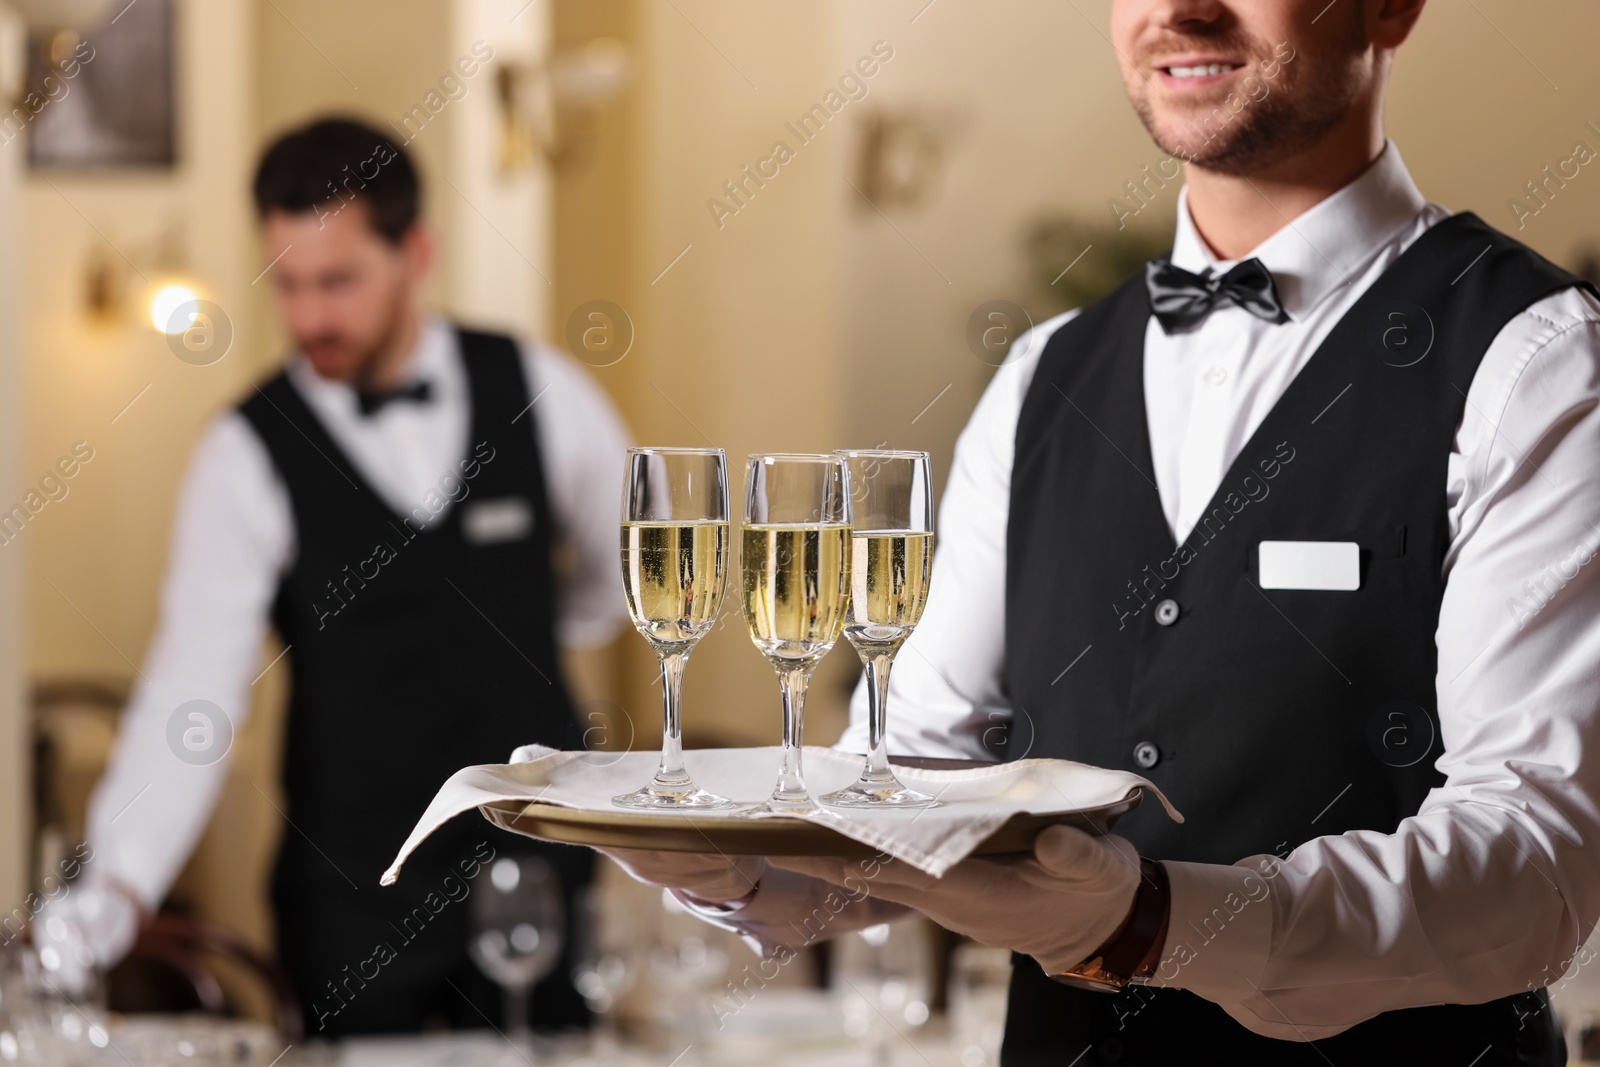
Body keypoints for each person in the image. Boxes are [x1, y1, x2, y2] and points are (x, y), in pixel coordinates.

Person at [605, 2, 1600, 1064]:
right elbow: (911, 771)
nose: (1181, 9)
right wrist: (747, 866)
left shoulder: (1536, 363)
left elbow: (1537, 865)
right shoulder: (1044, 373)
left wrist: (1150, 920)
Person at [43, 117, 630, 1036]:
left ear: (417, 253)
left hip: (537, 883)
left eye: (339, 280)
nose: (311, 316)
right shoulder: (244, 452)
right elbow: (191, 695)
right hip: (350, 902)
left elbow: (619, 581)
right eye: (288, 283)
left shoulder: (541, 390)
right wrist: (110, 893)